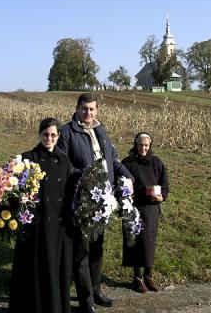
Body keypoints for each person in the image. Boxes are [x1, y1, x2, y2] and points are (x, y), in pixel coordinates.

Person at [57, 93, 133, 313]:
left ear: (97, 110)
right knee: (81, 252)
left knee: (98, 248)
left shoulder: (101, 131)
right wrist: (87, 179)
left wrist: (128, 176)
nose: (88, 113)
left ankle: (97, 290)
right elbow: (64, 165)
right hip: (82, 201)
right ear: (77, 108)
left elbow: (114, 160)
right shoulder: (67, 132)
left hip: (104, 201)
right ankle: (86, 300)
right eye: (84, 109)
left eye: (92, 109)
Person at [9, 117, 75, 313]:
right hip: (37, 226)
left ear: (58, 136)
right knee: (37, 268)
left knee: (56, 267)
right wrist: (18, 198)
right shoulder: (27, 159)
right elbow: (10, 191)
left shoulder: (64, 159)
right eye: (46, 134)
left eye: (53, 135)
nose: (49, 138)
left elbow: (69, 188)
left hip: (60, 223)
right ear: (39, 134)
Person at [121, 132, 170, 293]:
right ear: (135, 145)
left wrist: (161, 196)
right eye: (140, 145)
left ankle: (148, 276)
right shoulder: (127, 163)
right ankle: (137, 277)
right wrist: (126, 194)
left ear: (150, 146)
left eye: (146, 145)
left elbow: (164, 184)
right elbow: (120, 183)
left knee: (149, 241)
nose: (143, 148)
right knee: (136, 242)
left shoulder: (156, 162)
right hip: (134, 208)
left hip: (151, 208)